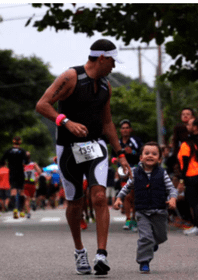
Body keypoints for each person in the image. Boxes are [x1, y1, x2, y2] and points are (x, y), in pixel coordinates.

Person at [35, 38, 131, 275]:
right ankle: (79, 250)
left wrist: (121, 155)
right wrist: (65, 122)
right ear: (101, 58)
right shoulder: (71, 77)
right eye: (112, 61)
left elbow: (107, 122)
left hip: (96, 146)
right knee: (75, 203)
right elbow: (42, 104)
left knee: (99, 196)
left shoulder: (106, 86)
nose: (114, 67)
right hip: (68, 149)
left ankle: (101, 254)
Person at [114, 142, 177, 274]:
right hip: (142, 211)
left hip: (160, 211)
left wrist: (172, 198)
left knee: (161, 237)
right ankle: (144, 261)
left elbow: (171, 188)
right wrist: (119, 198)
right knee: (145, 238)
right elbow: (127, 187)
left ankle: (152, 245)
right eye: (147, 153)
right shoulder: (136, 173)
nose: (150, 156)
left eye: (154, 154)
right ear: (141, 158)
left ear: (159, 159)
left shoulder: (162, 173)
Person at [112, 119, 143, 230]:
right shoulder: (117, 143)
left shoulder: (136, 141)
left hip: (135, 170)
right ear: (120, 130)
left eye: (127, 128)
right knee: (126, 194)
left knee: (134, 196)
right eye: (123, 128)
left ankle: (134, 218)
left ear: (130, 129)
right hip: (123, 171)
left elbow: (142, 154)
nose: (125, 130)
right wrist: (114, 160)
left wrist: (133, 152)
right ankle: (128, 219)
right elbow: (113, 156)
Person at [178, 117, 198, 236]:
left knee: (194, 203)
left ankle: (196, 226)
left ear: (195, 127)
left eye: (190, 125)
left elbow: (184, 165)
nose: (187, 126)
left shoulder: (187, 144)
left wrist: (181, 180)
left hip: (192, 176)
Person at [1, 136, 28, 219]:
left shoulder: (8, 151)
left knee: (13, 191)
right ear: (20, 142)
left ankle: (15, 209)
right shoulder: (22, 151)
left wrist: (8, 164)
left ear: (13, 141)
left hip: (12, 173)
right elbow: (26, 161)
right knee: (21, 192)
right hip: (20, 172)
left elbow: (2, 160)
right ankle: (22, 210)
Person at [23, 151, 42, 218]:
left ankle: (28, 213)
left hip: (25, 183)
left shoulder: (22, 165)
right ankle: (33, 201)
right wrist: (36, 176)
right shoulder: (33, 164)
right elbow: (39, 172)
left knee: (26, 199)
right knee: (33, 196)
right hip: (32, 183)